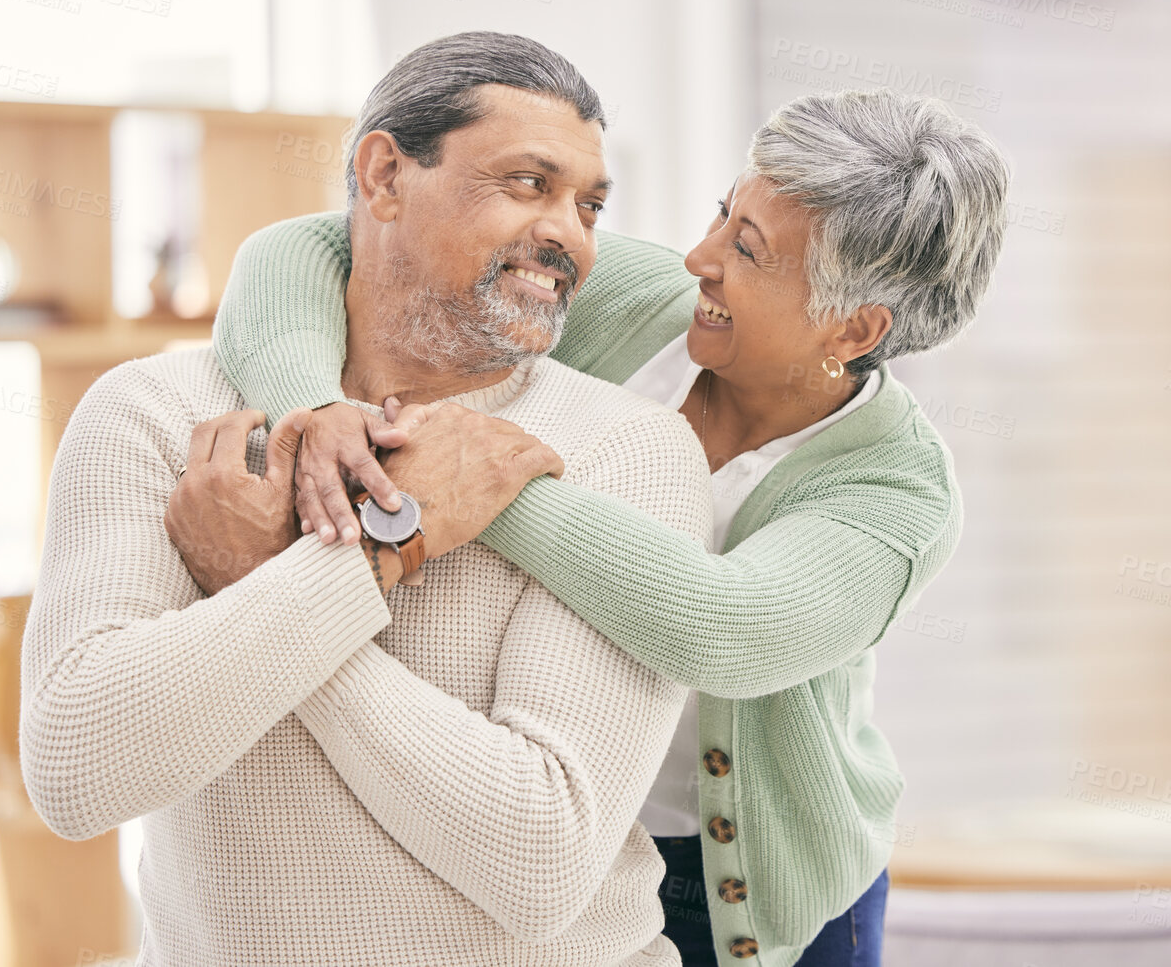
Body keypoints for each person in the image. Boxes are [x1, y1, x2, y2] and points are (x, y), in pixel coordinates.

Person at [214, 47, 1009, 967]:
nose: (699, 257)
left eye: (747, 249)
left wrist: (485, 487)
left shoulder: (895, 489)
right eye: (724, 212)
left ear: (855, 328)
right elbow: (306, 245)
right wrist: (312, 412)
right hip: (560, 837)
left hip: (759, 902)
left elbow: (725, 628)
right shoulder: (635, 302)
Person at [21, 33, 712, 966]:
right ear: (384, 175)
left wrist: (264, 575)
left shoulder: (629, 450)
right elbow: (78, 769)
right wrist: (376, 560)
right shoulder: (156, 415)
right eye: (527, 183)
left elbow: (543, 857)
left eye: (589, 204)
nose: (571, 234)